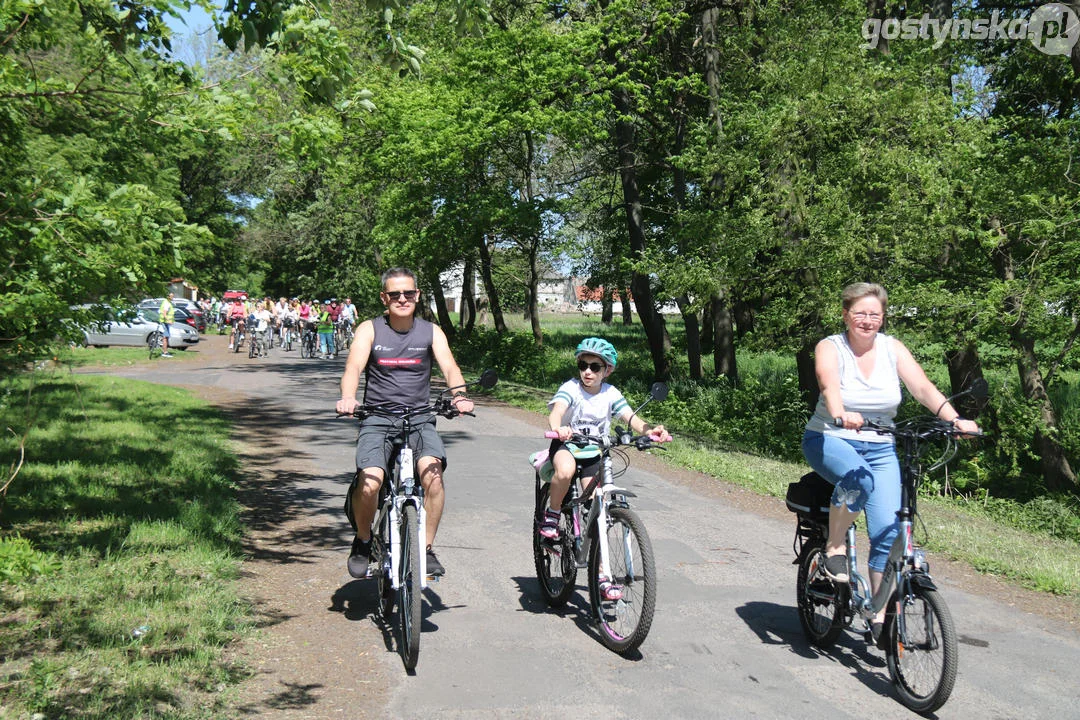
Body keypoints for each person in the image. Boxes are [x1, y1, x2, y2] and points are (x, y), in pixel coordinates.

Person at [801, 282, 980, 643]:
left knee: (887, 533)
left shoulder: (891, 348)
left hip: (881, 446)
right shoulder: (830, 346)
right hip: (830, 439)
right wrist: (839, 413)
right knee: (859, 479)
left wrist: (954, 419)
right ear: (845, 315)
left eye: (874, 314)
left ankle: (878, 616)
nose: (867, 321)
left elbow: (923, 388)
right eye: (860, 313)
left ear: (882, 318)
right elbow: (828, 384)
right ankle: (835, 547)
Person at [335, 268, 474, 579]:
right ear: (384, 298)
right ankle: (363, 539)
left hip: (419, 419)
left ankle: (425, 548)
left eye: (408, 293)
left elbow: (450, 366)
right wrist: (348, 397)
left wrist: (460, 396)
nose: (402, 299)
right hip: (377, 418)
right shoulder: (369, 330)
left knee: (433, 478)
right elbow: (354, 367)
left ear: (417, 296)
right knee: (370, 483)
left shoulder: (431, 331)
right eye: (394, 294)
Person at [540, 336, 671, 600]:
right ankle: (553, 513)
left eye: (595, 367)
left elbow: (631, 418)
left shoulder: (611, 393)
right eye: (583, 365)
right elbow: (557, 410)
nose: (588, 371)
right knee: (564, 472)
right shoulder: (572, 388)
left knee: (598, 515)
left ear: (607, 370)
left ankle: (602, 575)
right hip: (567, 447)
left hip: (594, 454)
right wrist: (558, 428)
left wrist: (651, 430)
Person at [158, 292, 175, 357]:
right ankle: (165, 352)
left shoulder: (167, 302)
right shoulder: (167, 303)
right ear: (168, 297)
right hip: (165, 322)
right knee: (165, 337)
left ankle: (165, 351)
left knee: (166, 337)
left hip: (165, 322)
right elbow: (164, 313)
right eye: (172, 296)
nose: (173, 297)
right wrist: (168, 320)